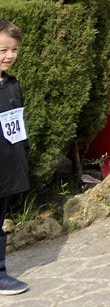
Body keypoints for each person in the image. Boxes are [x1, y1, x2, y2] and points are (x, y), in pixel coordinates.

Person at [0, 22, 30, 296]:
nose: (9, 55)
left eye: (14, 50)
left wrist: (23, 153)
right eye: (2, 50)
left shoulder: (12, 84)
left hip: (7, 166)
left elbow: (18, 125)